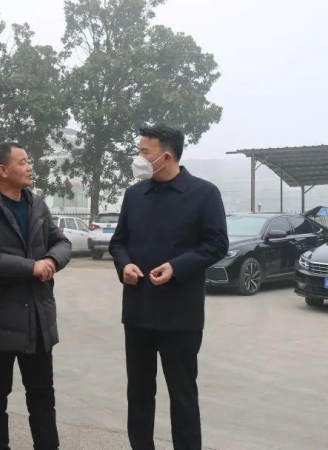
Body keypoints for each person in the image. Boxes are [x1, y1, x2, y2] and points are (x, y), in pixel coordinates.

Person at [109, 125, 229, 450]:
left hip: (180, 316)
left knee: (182, 394)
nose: (139, 158)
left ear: (166, 156)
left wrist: (177, 267)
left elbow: (217, 244)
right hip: (138, 312)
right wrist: (125, 265)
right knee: (138, 392)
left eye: (144, 152)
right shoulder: (135, 195)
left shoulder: (204, 194)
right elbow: (118, 242)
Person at [0, 142, 72, 450]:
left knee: (42, 394)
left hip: (38, 318)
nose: (29, 167)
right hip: (0, 318)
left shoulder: (37, 205)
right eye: (22, 162)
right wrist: (30, 267)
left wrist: (51, 260)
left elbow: (61, 242)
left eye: (28, 161)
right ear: (3, 170)